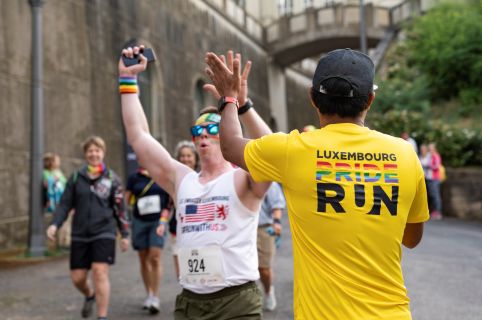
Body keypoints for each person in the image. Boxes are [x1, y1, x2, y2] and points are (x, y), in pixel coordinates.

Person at [205, 48, 429, 319]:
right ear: (370, 99)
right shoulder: (405, 154)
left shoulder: (295, 151)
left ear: (312, 98)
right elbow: (412, 238)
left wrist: (229, 99)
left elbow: (229, 147)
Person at [119, 46, 272, 319]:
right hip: (190, 302)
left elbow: (271, 152)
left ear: (225, 132)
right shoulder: (182, 179)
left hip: (235, 301)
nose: (203, 134)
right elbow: (139, 137)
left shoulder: (241, 180)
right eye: (197, 130)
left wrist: (242, 105)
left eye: (213, 128)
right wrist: (128, 81)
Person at [46, 136, 130, 320]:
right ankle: (89, 294)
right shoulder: (76, 178)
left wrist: (124, 234)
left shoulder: (112, 179)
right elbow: (64, 205)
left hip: (104, 231)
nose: (94, 154)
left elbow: (120, 209)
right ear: (85, 154)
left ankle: (102, 316)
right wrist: (54, 225)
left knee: (100, 272)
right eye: (90, 150)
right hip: (80, 233)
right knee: (77, 278)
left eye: (97, 150)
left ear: (103, 153)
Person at [125, 167, 170, 314]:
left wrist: (164, 219)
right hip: (139, 221)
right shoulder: (133, 178)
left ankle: (155, 297)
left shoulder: (161, 174)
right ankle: (149, 294)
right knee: (143, 259)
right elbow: (126, 200)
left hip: (157, 222)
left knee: (155, 257)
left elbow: (169, 201)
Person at [168, 141, 200, 279]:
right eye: (182, 156)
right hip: (178, 229)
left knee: (200, 272)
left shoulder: (204, 177)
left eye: (189, 155)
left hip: (200, 230)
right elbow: (167, 203)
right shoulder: (173, 179)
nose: (185, 159)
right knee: (181, 273)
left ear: (195, 158)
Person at [257, 182, 285, 311]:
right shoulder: (235, 176)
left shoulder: (268, 181)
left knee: (264, 269)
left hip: (263, 228)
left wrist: (277, 223)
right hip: (240, 229)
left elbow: (277, 205)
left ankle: (268, 291)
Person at [427, 142, 443, 220]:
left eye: (431, 148)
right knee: (432, 195)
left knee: (436, 195)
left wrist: (429, 165)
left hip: (435, 178)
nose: (429, 149)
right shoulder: (430, 156)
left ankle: (438, 212)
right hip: (430, 178)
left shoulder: (436, 156)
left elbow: (437, 166)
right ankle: (434, 211)